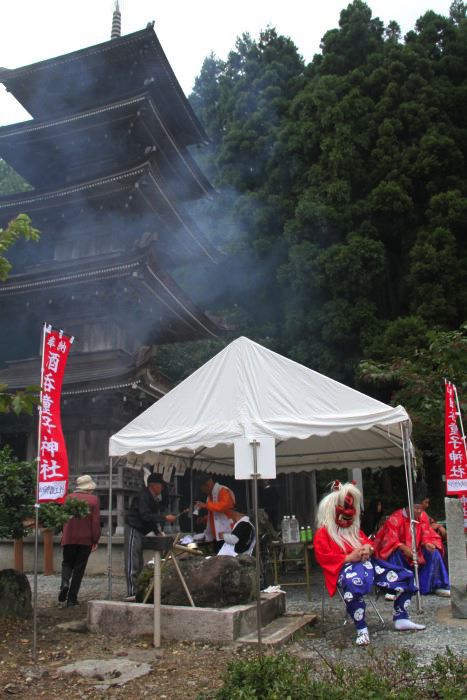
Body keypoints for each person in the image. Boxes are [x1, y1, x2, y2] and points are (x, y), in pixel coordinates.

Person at [314, 481, 425, 646]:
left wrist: (367, 549)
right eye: (343, 516)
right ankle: (361, 628)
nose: (347, 520)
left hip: (370, 566)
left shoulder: (354, 531)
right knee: (353, 585)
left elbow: (368, 544)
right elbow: (323, 558)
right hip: (344, 571)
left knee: (406, 576)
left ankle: (401, 617)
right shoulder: (323, 533)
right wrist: (348, 558)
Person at [372, 482, 450, 597]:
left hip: (417, 550)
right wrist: (403, 547)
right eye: (416, 508)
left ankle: (437, 585)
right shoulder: (395, 518)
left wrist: (427, 542)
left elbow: (426, 532)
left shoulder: (422, 516)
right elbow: (389, 540)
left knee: (434, 553)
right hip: (401, 551)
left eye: (420, 508)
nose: (419, 511)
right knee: (395, 553)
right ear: (408, 507)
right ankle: (394, 587)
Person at [124, 473, 176, 598]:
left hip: (143, 529)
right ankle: (131, 592)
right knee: (133, 559)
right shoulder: (144, 496)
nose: (162, 488)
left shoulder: (154, 498)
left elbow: (150, 519)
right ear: (153, 485)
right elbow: (145, 516)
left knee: (140, 562)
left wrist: (157, 531)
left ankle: (138, 591)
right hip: (134, 528)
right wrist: (164, 518)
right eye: (161, 485)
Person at [58, 474, 101, 607]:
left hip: (69, 537)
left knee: (67, 563)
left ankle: (64, 583)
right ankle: (72, 599)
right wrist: (95, 539)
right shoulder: (93, 500)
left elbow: (62, 519)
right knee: (79, 569)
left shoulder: (68, 498)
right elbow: (95, 522)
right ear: (89, 488)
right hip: (85, 539)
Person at [194, 476, 235, 553]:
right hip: (216, 535)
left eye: (203, 488)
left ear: (208, 483)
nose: (203, 491)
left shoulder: (223, 490)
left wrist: (206, 505)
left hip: (227, 531)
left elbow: (224, 506)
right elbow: (214, 515)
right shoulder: (209, 497)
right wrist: (205, 519)